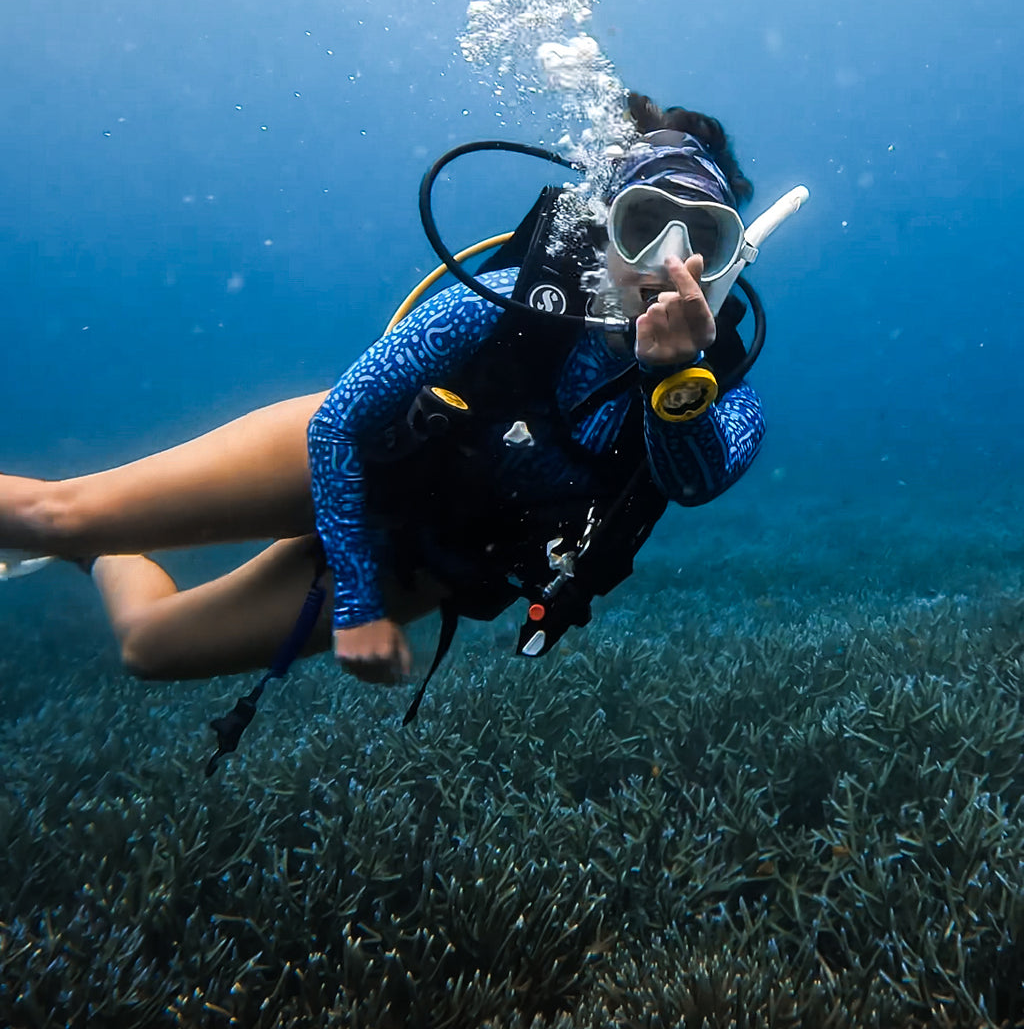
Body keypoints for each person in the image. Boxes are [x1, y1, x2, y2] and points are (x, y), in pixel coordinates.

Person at [0, 95, 776, 708]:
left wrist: (670, 383)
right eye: (643, 226)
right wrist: (357, 606)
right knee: (51, 513)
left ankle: (105, 554)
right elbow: (337, 423)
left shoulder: (728, 398)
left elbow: (691, 479)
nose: (669, 261)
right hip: (351, 452)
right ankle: (84, 532)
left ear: (733, 258)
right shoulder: (505, 300)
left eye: (703, 234)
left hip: (433, 554)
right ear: (601, 227)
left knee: (150, 647)